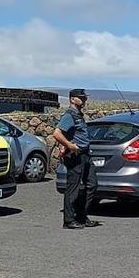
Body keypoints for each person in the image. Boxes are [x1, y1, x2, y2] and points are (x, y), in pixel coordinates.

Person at [52, 88, 100, 230]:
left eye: (84, 98)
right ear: (72, 99)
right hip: (75, 155)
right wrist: (69, 145)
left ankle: (81, 216)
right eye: (81, 98)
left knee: (92, 184)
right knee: (72, 187)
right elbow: (57, 133)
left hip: (85, 154)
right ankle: (68, 220)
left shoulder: (79, 115)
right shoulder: (70, 115)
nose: (84, 100)